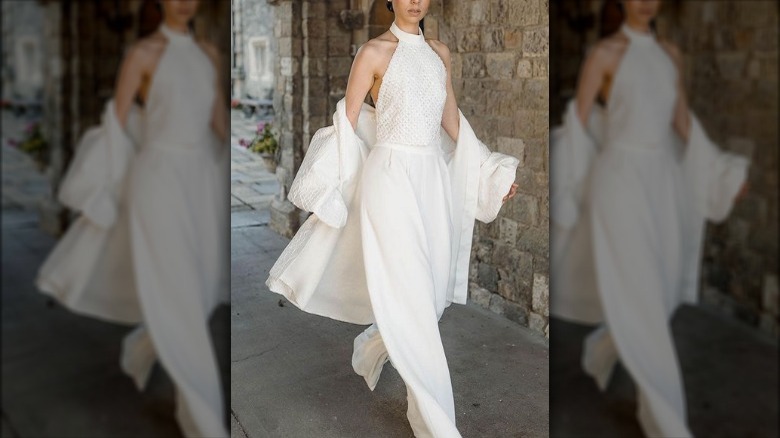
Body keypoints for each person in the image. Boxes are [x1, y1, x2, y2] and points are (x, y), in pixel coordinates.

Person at [265, 0, 520, 436]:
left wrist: (489, 174)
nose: (415, 0)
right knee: (415, 301)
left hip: (431, 182)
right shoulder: (373, 53)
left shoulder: (440, 53)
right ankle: (436, 424)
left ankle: (374, 342)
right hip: (389, 182)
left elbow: (452, 120)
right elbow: (346, 123)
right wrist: (326, 187)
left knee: (431, 294)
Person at [549, 1, 749, 436]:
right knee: (644, 299)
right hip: (618, 184)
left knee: (655, 295)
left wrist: (721, 174)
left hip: (662, 185)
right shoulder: (604, 54)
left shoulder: (670, 55)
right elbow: (577, 124)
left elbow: (681, 123)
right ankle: (668, 424)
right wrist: (565, 192)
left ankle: (604, 345)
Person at [36, 1, 229, 436]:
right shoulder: (142, 53)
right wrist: (104, 190)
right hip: (157, 183)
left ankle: (144, 344)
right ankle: (205, 422)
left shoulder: (208, 54)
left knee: (197, 295)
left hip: (199, 182)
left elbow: (217, 121)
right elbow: (117, 124)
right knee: (181, 296)